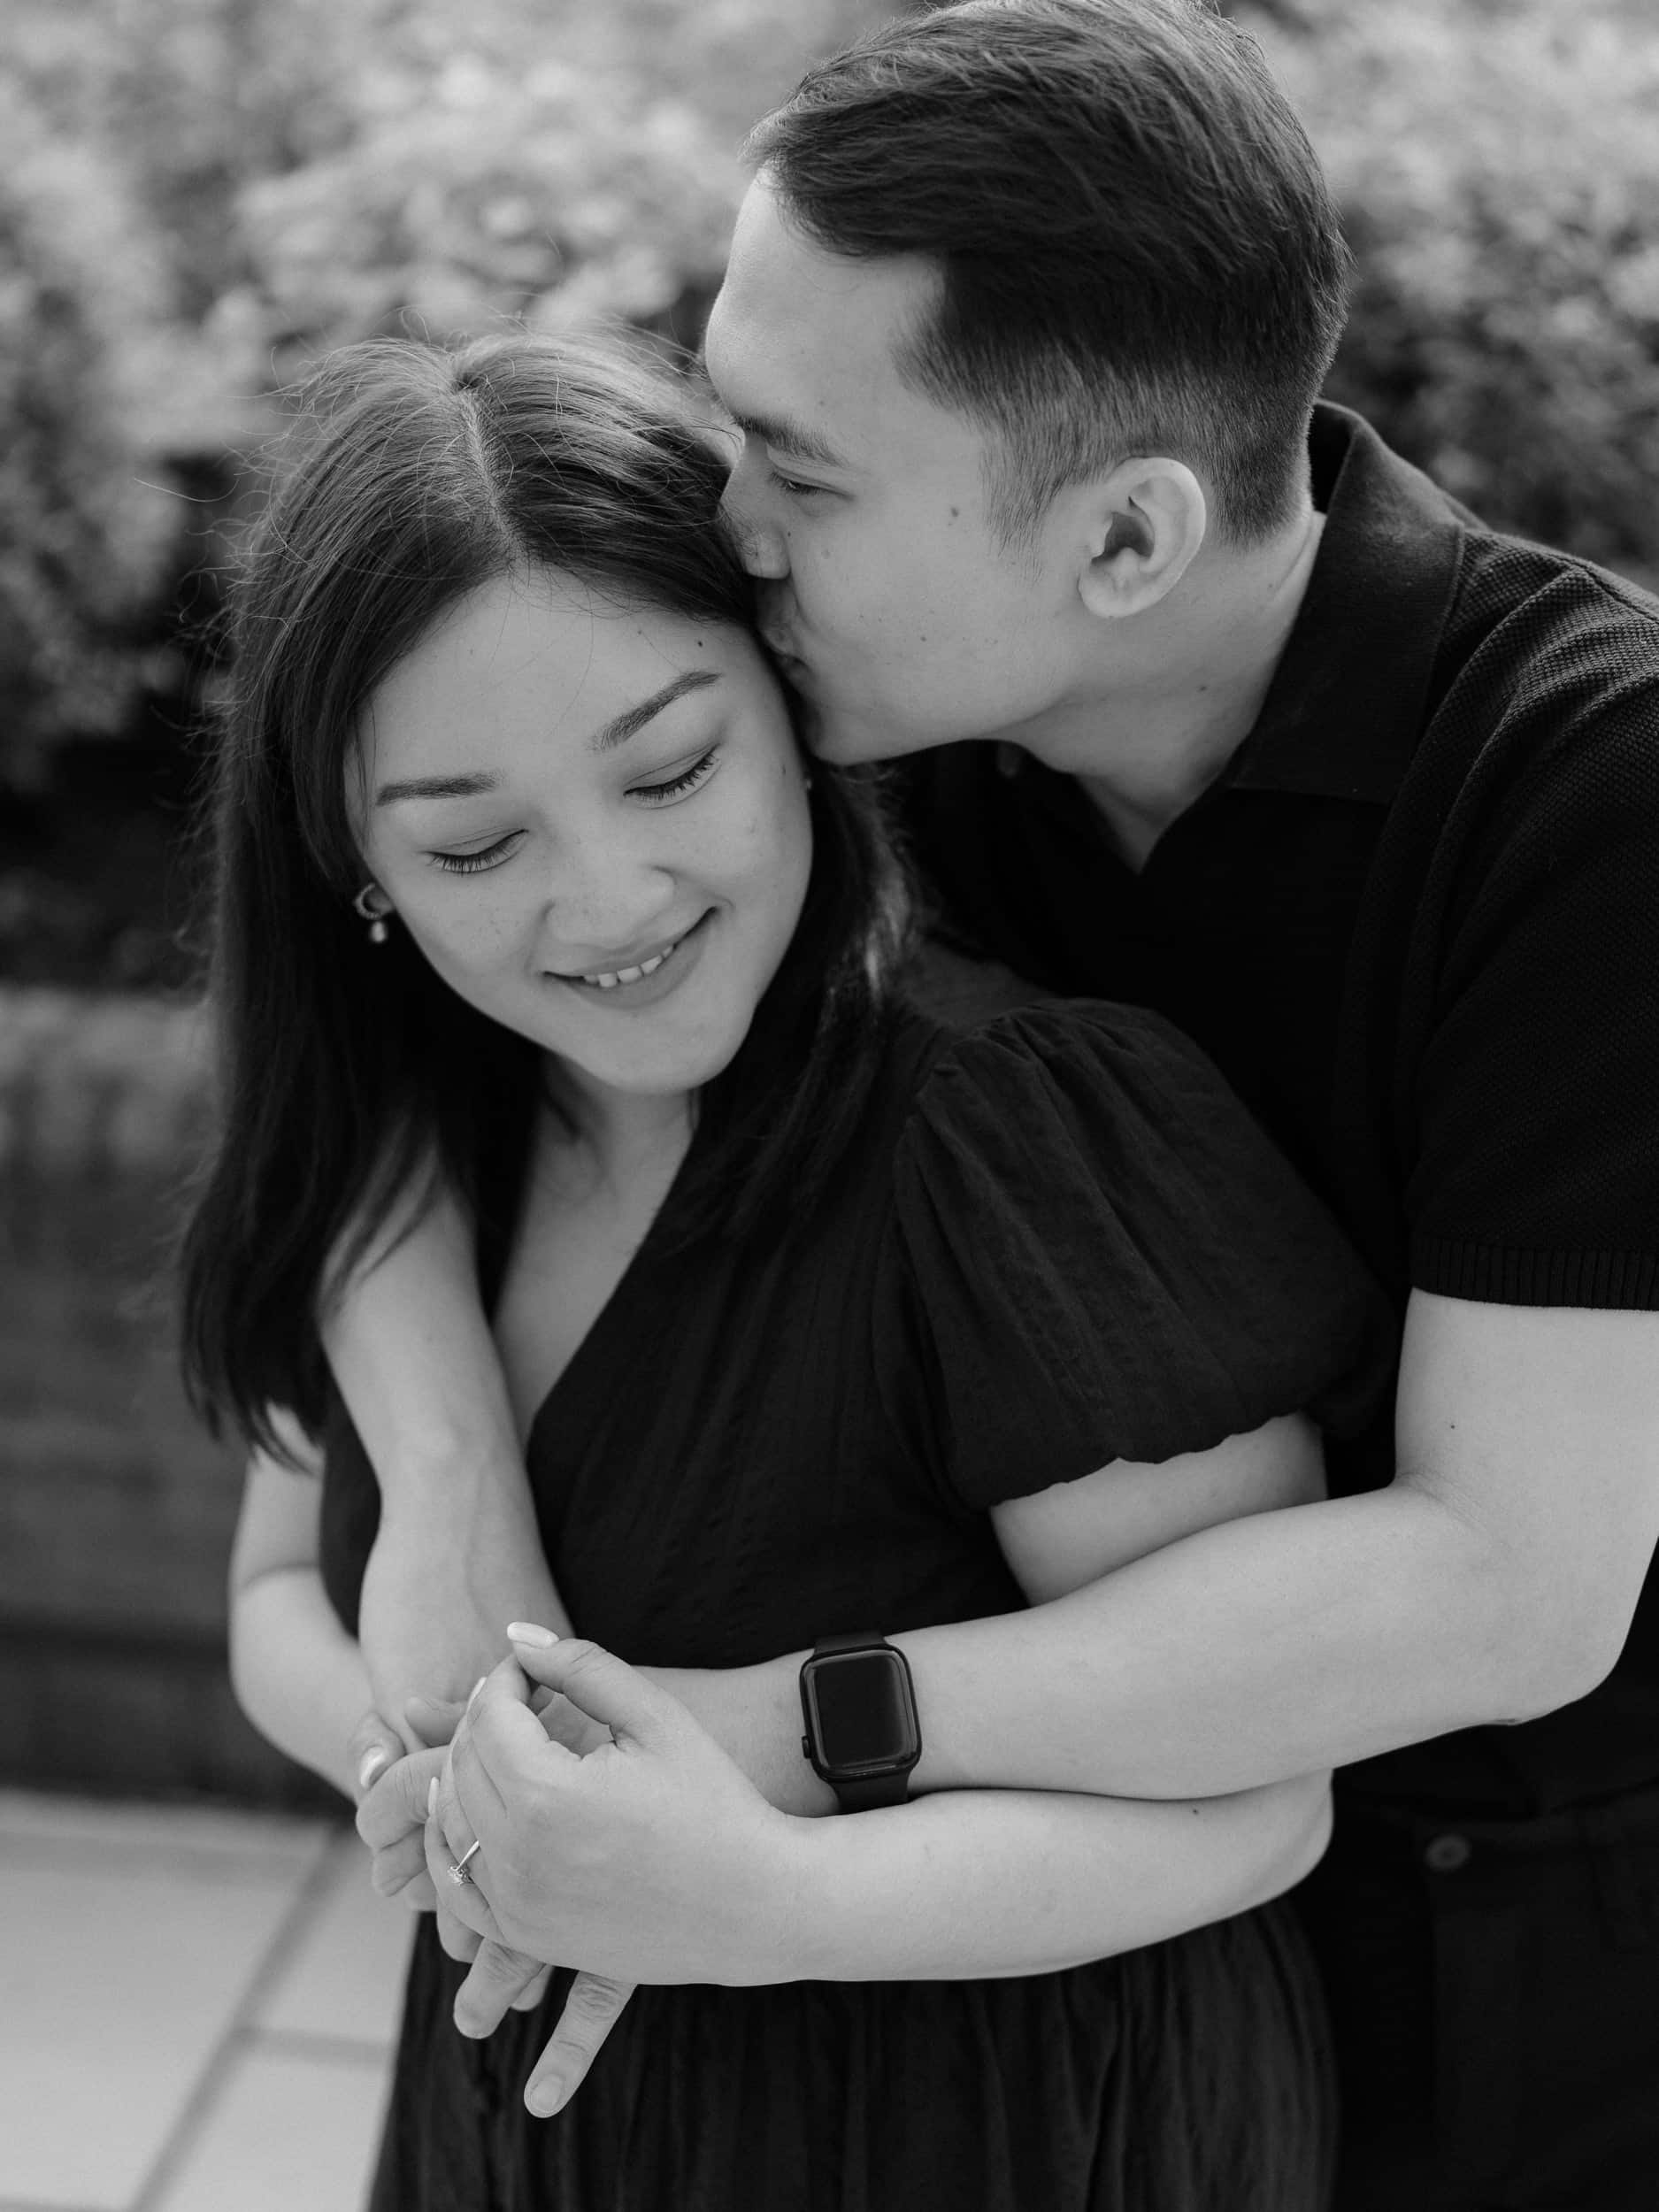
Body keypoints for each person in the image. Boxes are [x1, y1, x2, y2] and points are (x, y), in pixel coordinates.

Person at [338, 4, 1659, 2208]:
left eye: (804, 472)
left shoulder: (1586, 798)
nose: (725, 521)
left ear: (1123, 541)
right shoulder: (880, 687)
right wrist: (445, 1464)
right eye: (728, 416)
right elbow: (386, 1009)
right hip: (967, 1968)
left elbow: (1510, 1584)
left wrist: (769, 1724)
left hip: (1509, 1966)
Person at [180, 329, 1395, 2210]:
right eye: (475, 844)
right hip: (530, 2128)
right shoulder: (402, 1148)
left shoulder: (1010, 1137)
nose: (607, 901)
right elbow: (277, 1591)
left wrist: (774, 1897)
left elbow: (1259, 1796)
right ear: (357, 869)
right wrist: (431, 1765)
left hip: (998, 2123)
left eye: (672, 768)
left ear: (793, 703)